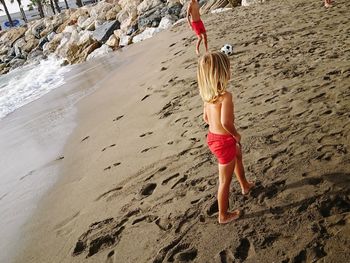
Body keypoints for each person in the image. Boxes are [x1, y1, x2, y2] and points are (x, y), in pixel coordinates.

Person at [197, 52, 255, 224]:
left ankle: (245, 185)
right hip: (224, 140)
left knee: (237, 155)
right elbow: (226, 121)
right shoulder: (226, 97)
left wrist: (217, 129)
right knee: (224, 180)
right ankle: (223, 215)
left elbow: (206, 119)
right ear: (222, 73)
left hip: (213, 138)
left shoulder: (208, 97)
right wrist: (235, 134)